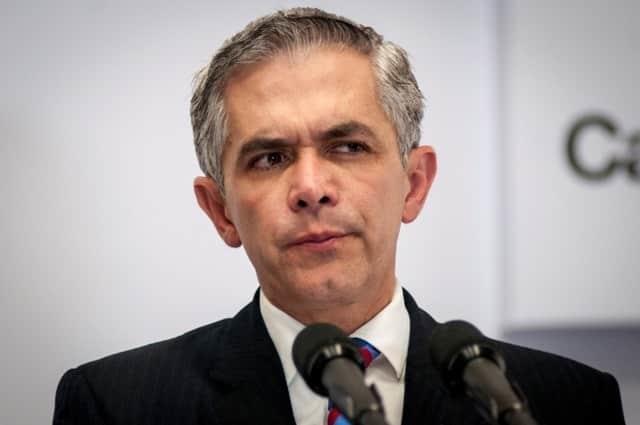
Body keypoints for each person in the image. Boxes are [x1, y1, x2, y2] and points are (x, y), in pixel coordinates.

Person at [53, 7, 625, 425]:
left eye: (347, 147)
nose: (310, 189)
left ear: (414, 185)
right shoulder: (117, 404)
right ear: (220, 210)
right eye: (270, 158)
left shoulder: (562, 402)